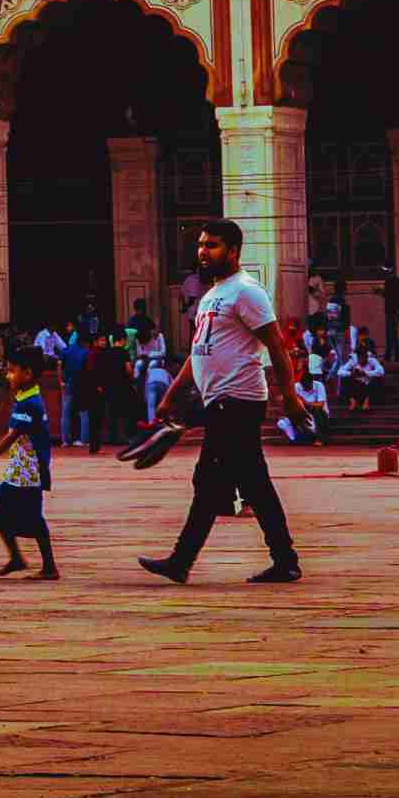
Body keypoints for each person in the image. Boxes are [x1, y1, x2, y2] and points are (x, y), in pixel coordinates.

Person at [140, 218, 301, 587]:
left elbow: (276, 344)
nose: (202, 251)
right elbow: (199, 352)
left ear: (233, 251)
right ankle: (285, 559)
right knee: (252, 482)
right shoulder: (213, 295)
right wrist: (170, 395)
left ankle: (181, 561)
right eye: (200, 244)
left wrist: (289, 396)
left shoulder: (247, 291)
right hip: (220, 400)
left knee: (211, 480)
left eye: (211, 245)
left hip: (238, 399)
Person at [0, 345, 59, 580]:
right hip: (21, 469)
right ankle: (19, 559)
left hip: (28, 472)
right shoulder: (27, 398)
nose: (8, 376)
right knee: (4, 514)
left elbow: (11, 437)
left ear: (27, 373)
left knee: (24, 517)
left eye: (12, 371)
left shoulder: (29, 403)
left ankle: (47, 567)